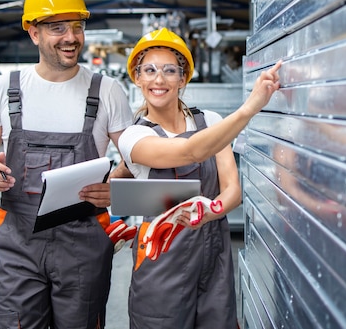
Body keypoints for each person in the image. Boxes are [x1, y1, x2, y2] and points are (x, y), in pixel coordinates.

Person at [0, 0, 134, 329]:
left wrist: (116, 185)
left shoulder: (106, 91)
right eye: (58, 28)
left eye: (77, 27)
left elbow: (138, 156)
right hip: (17, 239)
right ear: (33, 32)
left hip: (84, 240)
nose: (71, 38)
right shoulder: (6, 88)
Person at [118, 27, 281, 329]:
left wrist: (211, 211)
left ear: (183, 78)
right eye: (149, 70)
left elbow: (233, 190)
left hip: (214, 255)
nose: (159, 79)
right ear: (137, 77)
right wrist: (249, 109)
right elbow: (190, 152)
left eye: (170, 71)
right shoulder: (133, 136)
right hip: (161, 259)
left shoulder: (211, 121)